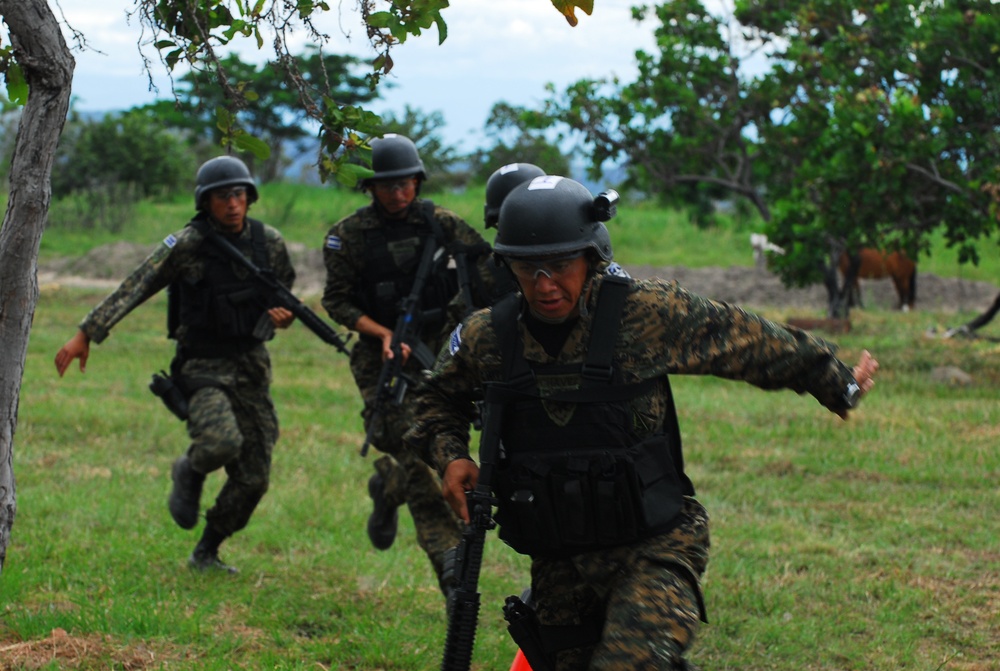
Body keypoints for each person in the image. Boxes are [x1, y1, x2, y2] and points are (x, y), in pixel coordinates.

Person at [404, 175, 879, 670]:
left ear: (591, 257)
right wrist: (451, 456)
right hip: (558, 562)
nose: (545, 285)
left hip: (655, 545)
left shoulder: (645, 312)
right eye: (529, 269)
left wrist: (836, 382)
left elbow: (747, 340)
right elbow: (434, 398)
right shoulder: (488, 336)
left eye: (561, 266)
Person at [54, 156, 297, 574]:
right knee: (221, 442)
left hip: (252, 368)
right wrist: (86, 333)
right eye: (223, 197)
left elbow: (283, 293)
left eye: (239, 195)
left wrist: (282, 317)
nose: (233, 204)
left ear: (250, 198)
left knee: (254, 478)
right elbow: (137, 284)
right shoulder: (187, 244)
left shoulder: (268, 242)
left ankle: (207, 550)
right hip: (202, 366)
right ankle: (190, 468)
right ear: (206, 202)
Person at [320, 133, 490, 596]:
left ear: (418, 181)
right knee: (413, 448)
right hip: (382, 362)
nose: (398, 193)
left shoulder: (443, 224)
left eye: (406, 183)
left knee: (426, 451)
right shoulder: (347, 236)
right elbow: (335, 300)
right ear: (371, 187)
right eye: (388, 185)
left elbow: (487, 271)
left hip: (441, 356)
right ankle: (450, 565)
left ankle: (389, 485)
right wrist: (383, 333)